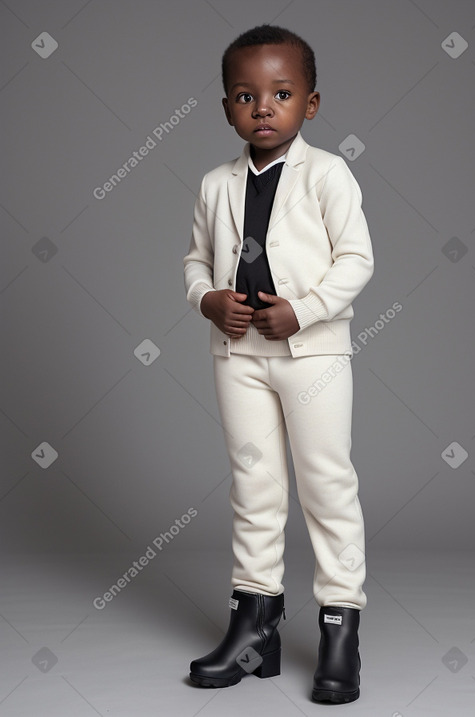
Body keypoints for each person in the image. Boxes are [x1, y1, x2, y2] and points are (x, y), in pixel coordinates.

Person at [183, 23, 374, 704]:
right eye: (245, 94)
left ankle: (339, 625)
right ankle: (254, 624)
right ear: (228, 106)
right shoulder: (214, 184)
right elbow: (196, 260)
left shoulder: (329, 174)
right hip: (238, 353)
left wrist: (306, 308)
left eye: (281, 92)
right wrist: (208, 299)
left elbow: (357, 259)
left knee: (326, 483)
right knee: (254, 486)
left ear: (310, 105)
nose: (263, 106)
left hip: (311, 353)